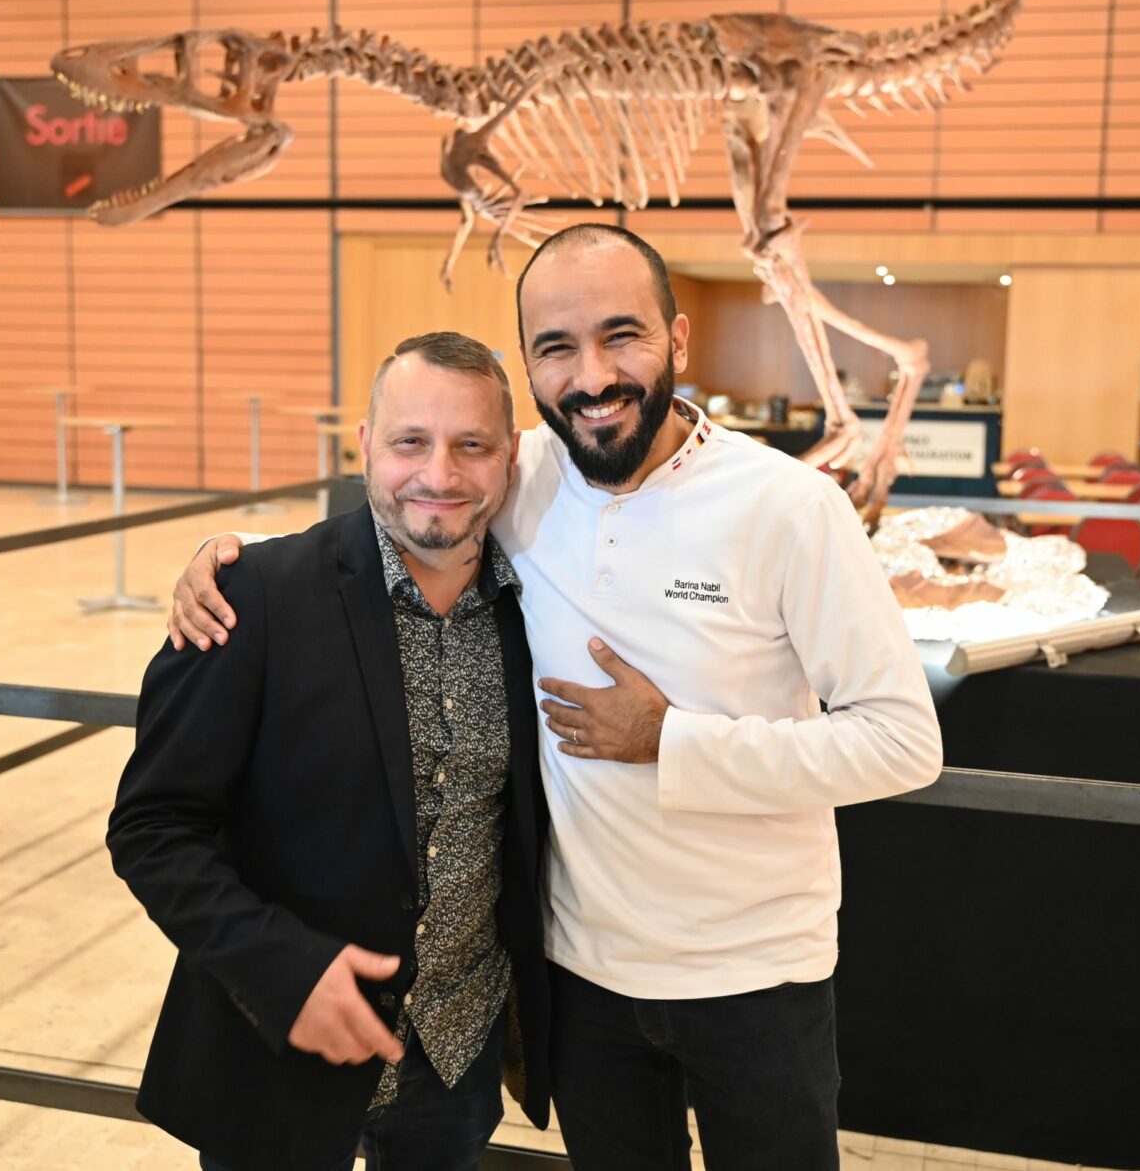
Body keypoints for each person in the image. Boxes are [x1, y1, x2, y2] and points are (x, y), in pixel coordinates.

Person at [171, 225, 942, 1170]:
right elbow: (414, 489)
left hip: (755, 973)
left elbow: (904, 741)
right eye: (556, 347)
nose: (592, 376)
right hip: (579, 979)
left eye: (623, 336)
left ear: (680, 340)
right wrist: (230, 562)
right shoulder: (524, 470)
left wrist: (673, 739)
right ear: (530, 365)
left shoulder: (790, 507)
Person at [111, 332, 552, 1171]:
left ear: (511, 455)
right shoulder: (253, 595)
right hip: (275, 1051)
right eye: (409, 441)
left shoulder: (538, 610)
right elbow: (153, 826)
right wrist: (282, 970)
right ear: (364, 445)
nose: (440, 475)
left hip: (454, 1063)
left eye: (472, 445)